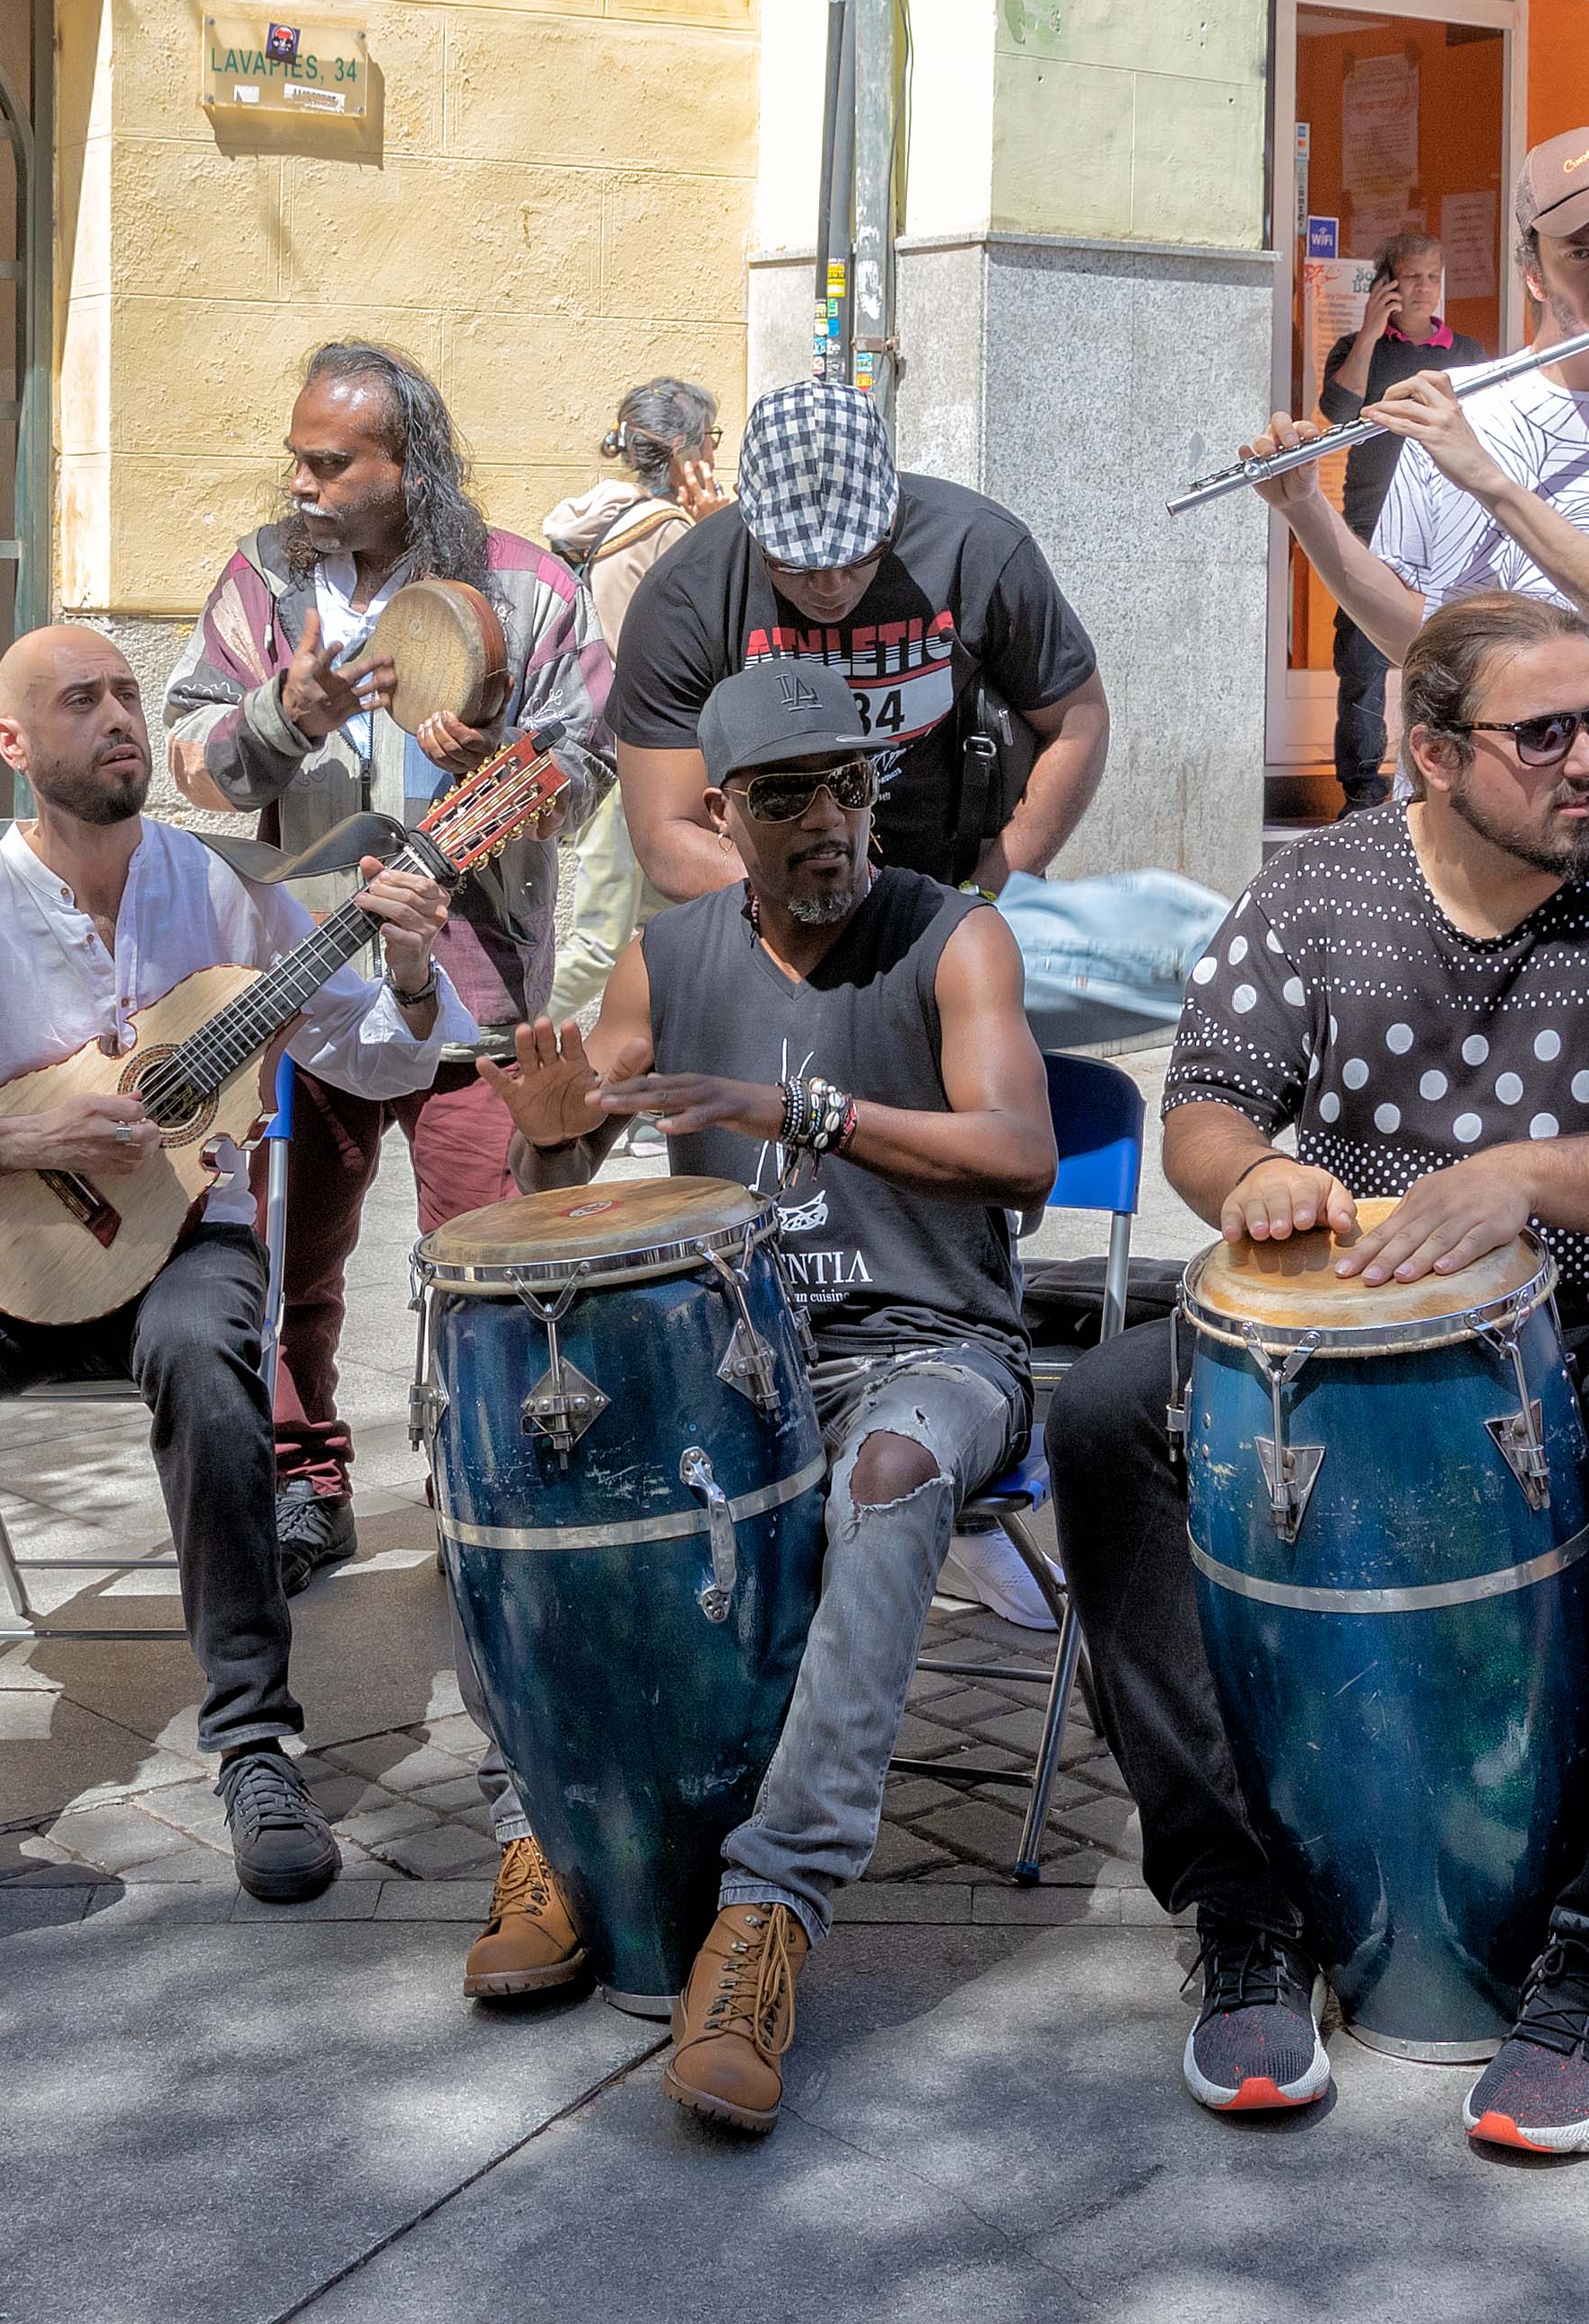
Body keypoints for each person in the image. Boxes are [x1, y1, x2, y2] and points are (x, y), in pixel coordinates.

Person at [1035, 591, 1589, 2159]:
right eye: (1547, 733)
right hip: (1348, 1335)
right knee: (1105, 1411)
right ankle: (1242, 1908)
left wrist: (1524, 1175)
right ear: (1433, 754)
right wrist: (1243, 1178)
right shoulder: (1318, 893)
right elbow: (1209, 1105)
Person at [475, 660, 1056, 2133]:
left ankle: (767, 1916)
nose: (831, 822)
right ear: (723, 816)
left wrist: (800, 1112)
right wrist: (546, 1143)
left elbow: (1020, 1152)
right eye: (789, 796)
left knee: (885, 1478)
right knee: (525, 1464)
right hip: (732, 1364)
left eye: (851, 786)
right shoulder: (669, 962)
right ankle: (552, 1827)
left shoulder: (955, 939)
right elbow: (559, 1169)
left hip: (937, 1348)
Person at [0, 623, 464, 1907]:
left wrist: (410, 967)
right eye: (79, 702)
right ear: (12, 745)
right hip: (11, 1244)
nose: (118, 719)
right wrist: (6, 1138)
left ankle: (256, 1743)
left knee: (210, 1354)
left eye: (124, 694)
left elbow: (373, 1057)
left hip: (180, 1245)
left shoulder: (224, 891)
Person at [167, 342, 613, 1587]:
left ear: (408, 463)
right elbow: (188, 755)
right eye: (298, 456)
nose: (303, 481)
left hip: (475, 985)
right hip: (307, 982)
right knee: (288, 1261)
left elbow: (588, 768)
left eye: (332, 461)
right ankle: (306, 1481)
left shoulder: (523, 587)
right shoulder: (263, 581)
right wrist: (282, 716)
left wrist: (498, 750)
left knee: (485, 1257)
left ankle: (485, 1479)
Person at [1247, 130, 1589, 834]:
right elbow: (1421, 638)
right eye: (1582, 255)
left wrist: (1491, 481)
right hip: (1465, 835)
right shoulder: (1452, 404)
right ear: (1533, 271)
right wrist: (1306, 510)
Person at [610, 377, 1109, 904]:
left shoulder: (979, 549)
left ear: (891, 510)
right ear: (750, 520)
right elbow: (668, 835)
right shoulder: (683, 595)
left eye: (857, 554)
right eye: (794, 562)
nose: (830, 586)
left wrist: (982, 897)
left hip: (956, 889)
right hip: (765, 917)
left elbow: (1078, 723)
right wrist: (845, 916)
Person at [529, 380, 727, 1190]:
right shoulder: (672, 531)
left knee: (659, 936)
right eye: (712, 437)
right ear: (684, 450)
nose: (718, 451)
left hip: (615, 748)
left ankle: (644, 1102)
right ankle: (502, 1032)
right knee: (608, 936)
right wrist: (720, 533)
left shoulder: (595, 523)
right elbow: (698, 643)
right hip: (648, 756)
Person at [1318, 229, 1461, 811]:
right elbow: (1336, 411)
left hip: (1445, 517)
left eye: (1432, 276)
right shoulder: (1360, 347)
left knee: (1445, 654)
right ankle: (1360, 789)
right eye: (1410, 277)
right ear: (1387, 284)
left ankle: (1436, 781)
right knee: (1362, 657)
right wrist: (1372, 332)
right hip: (1371, 517)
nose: (1423, 288)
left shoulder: (1466, 352)